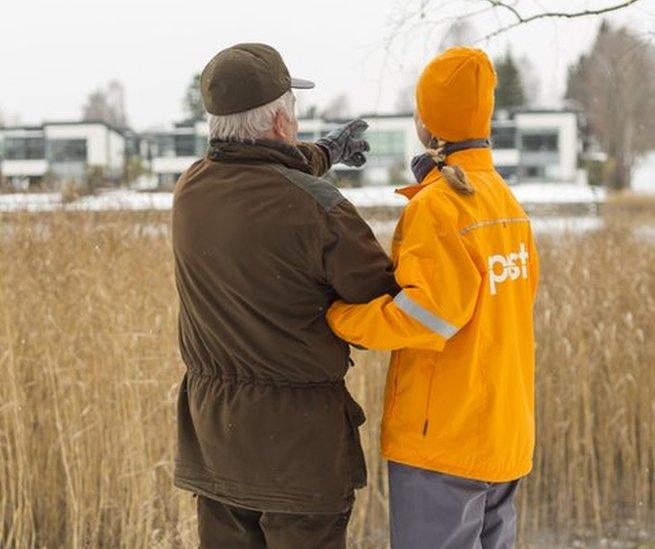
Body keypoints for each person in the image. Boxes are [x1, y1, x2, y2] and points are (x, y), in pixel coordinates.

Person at [171, 43, 398, 548]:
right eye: (292, 114)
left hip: (217, 442)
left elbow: (258, 173)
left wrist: (328, 153)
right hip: (298, 452)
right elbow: (383, 296)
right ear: (280, 124)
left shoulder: (191, 189)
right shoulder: (320, 210)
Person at [327, 47, 539, 549]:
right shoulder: (505, 201)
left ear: (427, 124)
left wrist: (339, 318)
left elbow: (426, 317)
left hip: (444, 437)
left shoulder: (438, 207)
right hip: (502, 430)